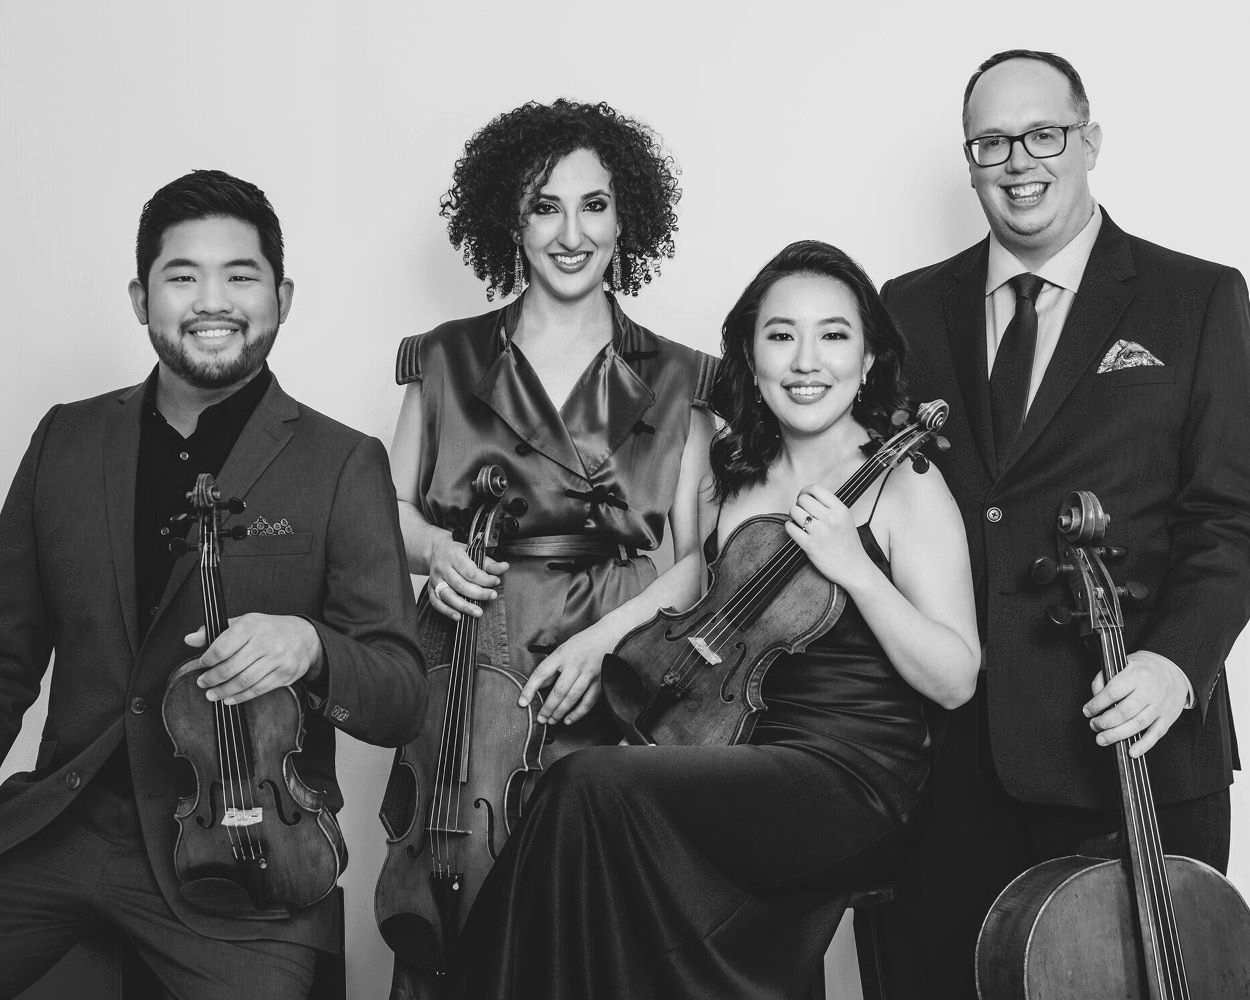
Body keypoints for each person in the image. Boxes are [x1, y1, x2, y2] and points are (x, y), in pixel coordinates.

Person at [451, 240, 980, 1000]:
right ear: (750, 356)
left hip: (852, 777)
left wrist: (854, 567)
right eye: (780, 335)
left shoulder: (906, 485)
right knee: (585, 802)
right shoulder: (739, 471)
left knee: (591, 786)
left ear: (867, 362)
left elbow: (957, 678)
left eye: (833, 335)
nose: (806, 360)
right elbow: (707, 575)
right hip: (736, 747)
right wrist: (600, 639)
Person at [874, 49, 1250, 999]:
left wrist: (1176, 662)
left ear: (1089, 140)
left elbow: (1233, 514)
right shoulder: (906, 308)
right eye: (991, 141)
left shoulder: (1199, 296)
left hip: (1134, 749)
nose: (1019, 160)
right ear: (968, 162)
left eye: (1044, 134)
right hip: (950, 762)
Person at [0, 169, 426, 999]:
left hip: (246, 854)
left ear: (283, 295)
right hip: (63, 827)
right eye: (182, 276)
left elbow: (403, 691)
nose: (212, 300)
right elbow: (4, 653)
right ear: (140, 297)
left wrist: (311, 648)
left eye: (241, 275)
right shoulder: (66, 438)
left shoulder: (341, 464)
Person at [379, 100, 717, 997]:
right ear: (510, 222)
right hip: (471, 658)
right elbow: (389, 512)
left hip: (617, 662)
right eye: (544, 206)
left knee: (599, 921)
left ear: (625, 218)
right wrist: (436, 552)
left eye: (594, 206)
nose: (572, 233)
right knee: (457, 909)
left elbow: (698, 559)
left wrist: (606, 643)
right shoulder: (445, 359)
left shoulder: (683, 376)